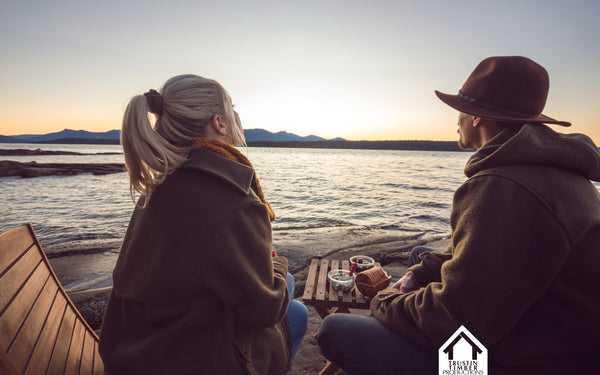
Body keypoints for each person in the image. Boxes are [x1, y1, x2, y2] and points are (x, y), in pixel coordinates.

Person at [317, 56, 600, 374]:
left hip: (519, 359)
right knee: (420, 256)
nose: (457, 119)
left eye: (460, 109)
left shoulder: (501, 186)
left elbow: (454, 322)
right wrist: (420, 275)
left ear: (477, 116)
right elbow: (481, 251)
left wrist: (385, 300)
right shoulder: (556, 172)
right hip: (548, 332)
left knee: (336, 332)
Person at [99, 74, 308, 375]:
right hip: (191, 358)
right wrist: (277, 264)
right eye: (231, 106)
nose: (237, 114)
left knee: (285, 285)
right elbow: (264, 310)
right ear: (219, 124)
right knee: (296, 311)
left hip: (139, 347)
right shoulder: (233, 200)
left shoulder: (160, 184)